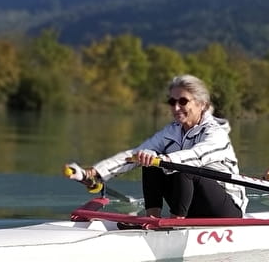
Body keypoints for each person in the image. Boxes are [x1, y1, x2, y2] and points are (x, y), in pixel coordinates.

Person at [78, 74, 247, 219]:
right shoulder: (170, 132)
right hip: (192, 203)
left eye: (182, 101)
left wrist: (164, 160)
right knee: (148, 158)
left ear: (201, 104)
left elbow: (197, 156)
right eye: (172, 101)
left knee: (183, 168)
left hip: (226, 208)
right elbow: (135, 154)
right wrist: (97, 172)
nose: (176, 107)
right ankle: (152, 219)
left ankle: (174, 224)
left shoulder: (217, 134)